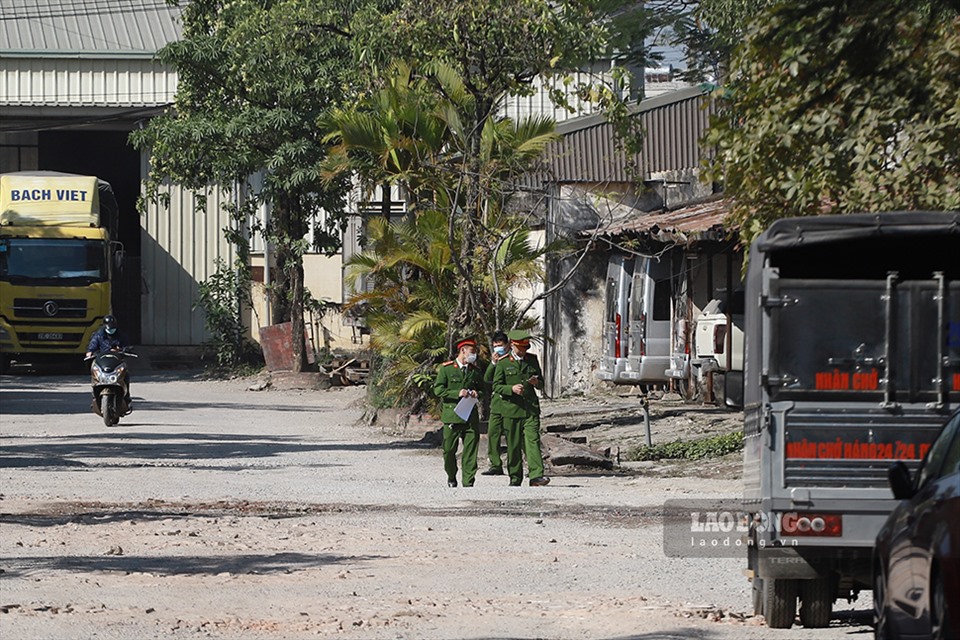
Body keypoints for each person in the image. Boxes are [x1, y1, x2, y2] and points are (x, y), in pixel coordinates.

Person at [492, 329, 550, 487]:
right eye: (521, 348)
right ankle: (515, 477)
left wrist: (536, 383)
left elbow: (542, 382)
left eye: (526, 347)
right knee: (514, 445)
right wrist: (510, 389)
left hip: (530, 408)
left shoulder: (532, 360)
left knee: (532, 441)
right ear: (513, 345)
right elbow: (496, 386)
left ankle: (536, 476)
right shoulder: (503, 363)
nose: (524, 351)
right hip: (511, 409)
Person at [433, 337, 485, 487]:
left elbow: (483, 389)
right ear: (463, 351)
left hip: (470, 416)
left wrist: (477, 393)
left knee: (470, 451)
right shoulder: (447, 368)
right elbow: (438, 389)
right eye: (472, 351)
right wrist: (457, 393)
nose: (474, 354)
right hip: (452, 416)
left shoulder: (474, 371)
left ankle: (468, 481)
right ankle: (451, 475)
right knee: (449, 450)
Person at [86, 315, 132, 410]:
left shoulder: (121, 335)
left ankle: (126, 397)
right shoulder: (98, 335)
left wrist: (123, 350)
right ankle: (95, 396)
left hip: (116, 361)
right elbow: (93, 346)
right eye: (109, 328)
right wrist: (90, 352)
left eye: (113, 328)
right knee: (94, 373)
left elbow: (127, 346)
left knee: (126, 375)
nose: (111, 330)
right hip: (103, 361)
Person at [481, 331, 510, 476]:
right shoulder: (496, 361)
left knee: (515, 436)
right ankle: (495, 465)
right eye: (495, 346)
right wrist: (493, 363)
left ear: (507, 345)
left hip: (511, 404)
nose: (498, 348)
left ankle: (518, 465)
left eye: (500, 345)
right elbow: (487, 379)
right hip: (497, 404)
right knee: (493, 434)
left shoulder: (512, 359)